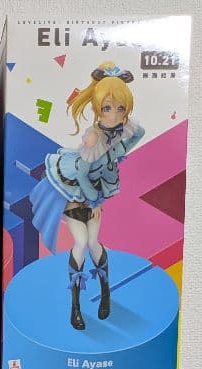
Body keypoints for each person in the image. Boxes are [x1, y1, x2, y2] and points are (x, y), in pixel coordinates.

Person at [29, 62, 145, 329]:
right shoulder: (93, 138)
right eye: (107, 108)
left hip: (95, 196)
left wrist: (121, 138)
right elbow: (82, 175)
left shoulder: (118, 132)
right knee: (81, 243)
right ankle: (76, 307)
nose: (114, 114)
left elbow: (139, 132)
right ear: (97, 108)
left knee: (93, 243)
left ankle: (105, 294)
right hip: (76, 194)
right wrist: (94, 201)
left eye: (120, 108)